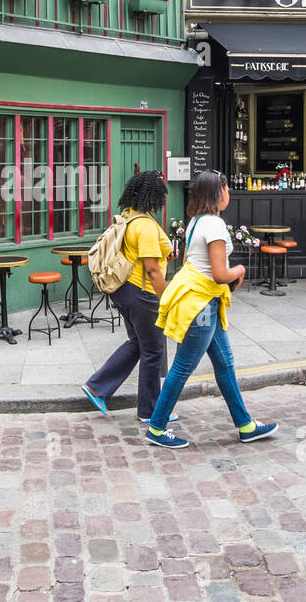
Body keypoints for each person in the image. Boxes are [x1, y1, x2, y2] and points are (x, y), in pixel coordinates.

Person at [145, 169, 278, 450]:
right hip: (201, 304)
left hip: (200, 300)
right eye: (227, 189)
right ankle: (157, 426)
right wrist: (240, 269)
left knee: (225, 364)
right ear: (218, 193)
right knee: (183, 366)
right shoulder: (215, 225)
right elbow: (219, 274)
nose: (229, 194)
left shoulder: (196, 221)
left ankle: (246, 425)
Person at [81, 170, 177, 424]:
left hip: (124, 292)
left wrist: (165, 254)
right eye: (160, 195)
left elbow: (144, 256)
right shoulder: (145, 226)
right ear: (153, 196)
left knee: (139, 343)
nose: (162, 200)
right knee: (153, 351)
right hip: (142, 294)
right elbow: (152, 269)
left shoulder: (129, 216)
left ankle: (97, 388)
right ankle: (150, 411)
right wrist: (166, 299)